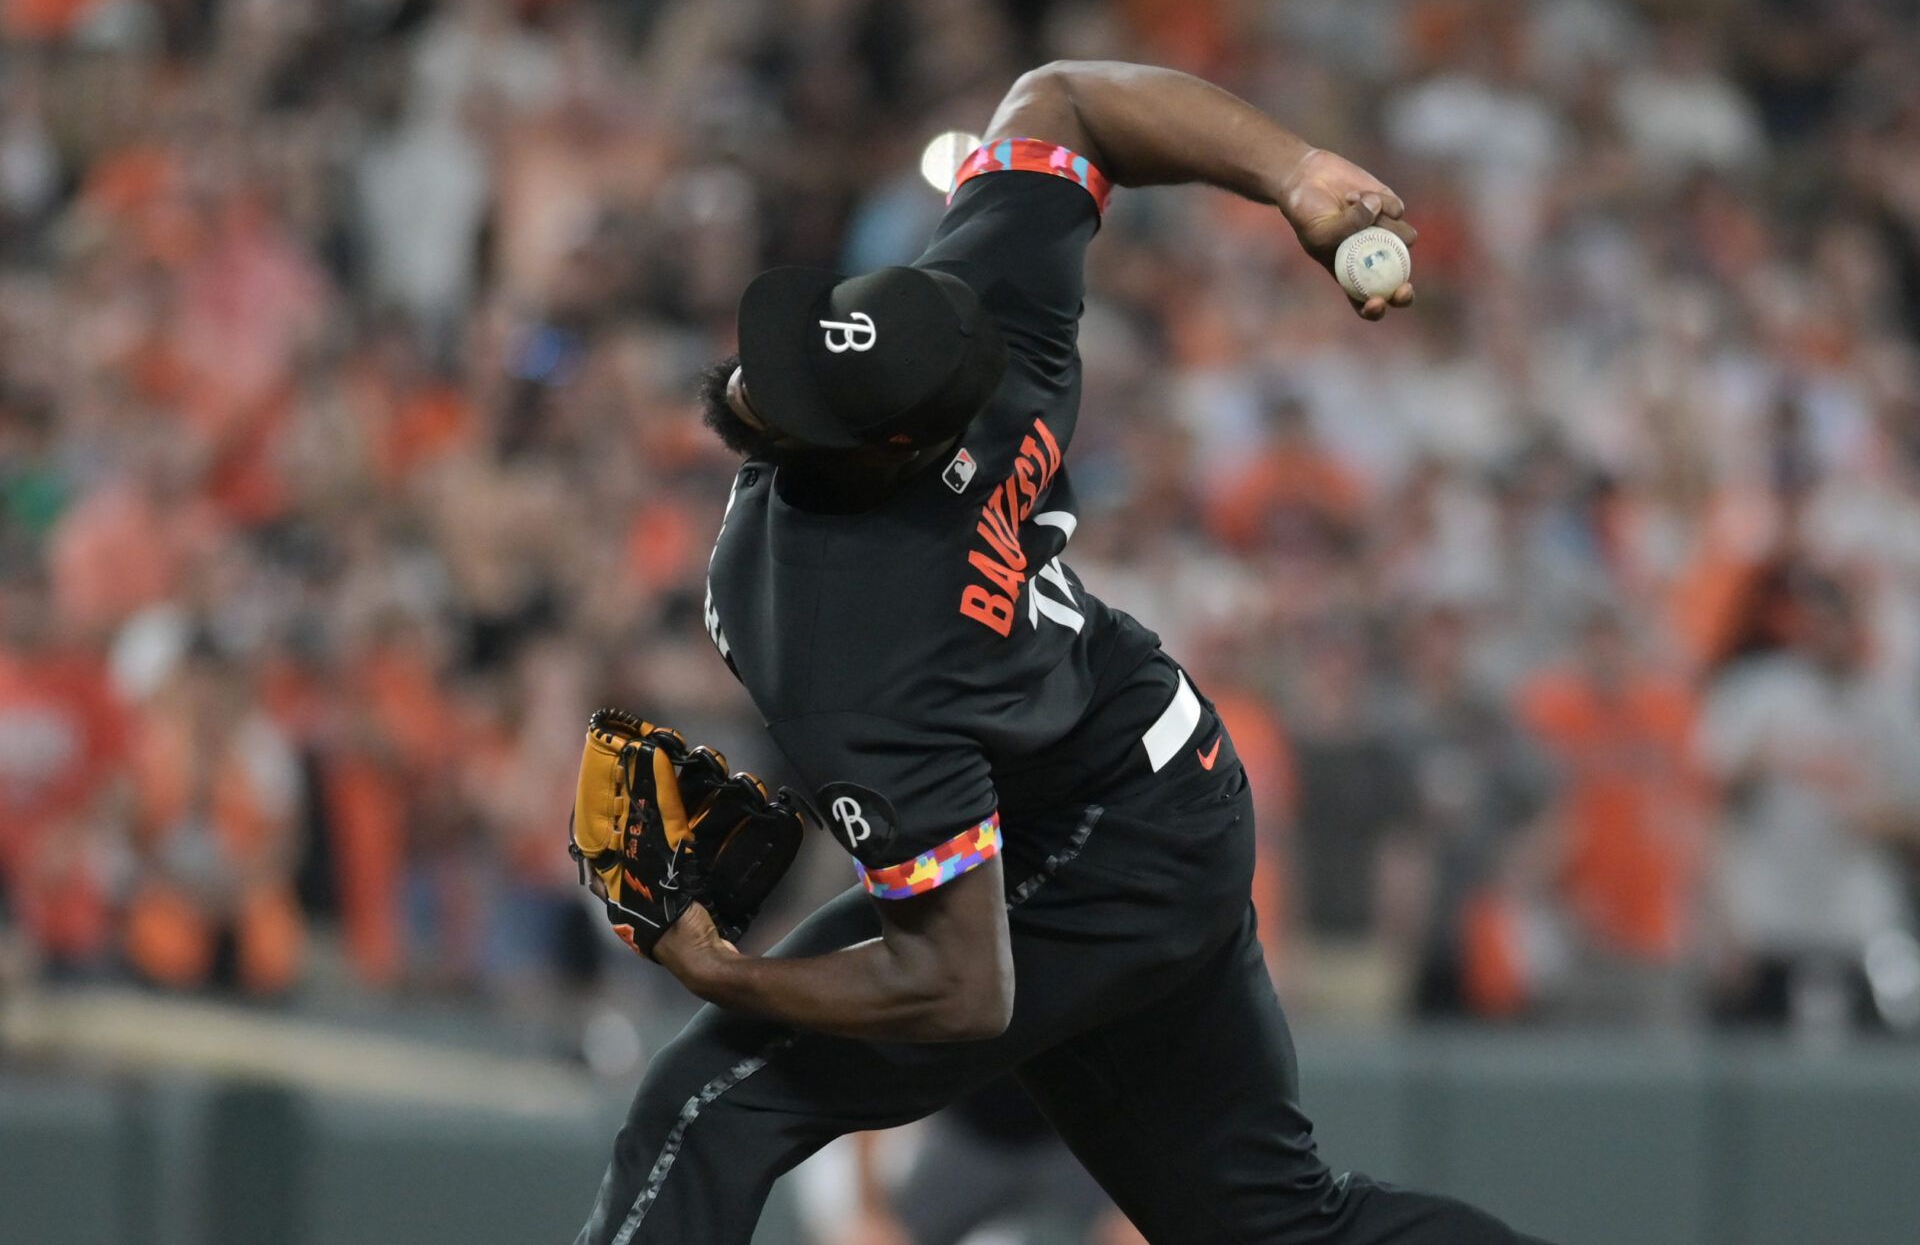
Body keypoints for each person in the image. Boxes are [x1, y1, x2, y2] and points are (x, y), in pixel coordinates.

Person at [576, 60, 1551, 1245]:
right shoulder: (987, 322)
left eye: (800, 397)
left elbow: (960, 985)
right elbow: (1067, 96)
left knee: (702, 1105)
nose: (758, 385)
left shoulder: (841, 632)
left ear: (880, 448)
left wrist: (733, 975)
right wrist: (1294, 171)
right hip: (1156, 771)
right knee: (1275, 1229)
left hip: (1087, 849)